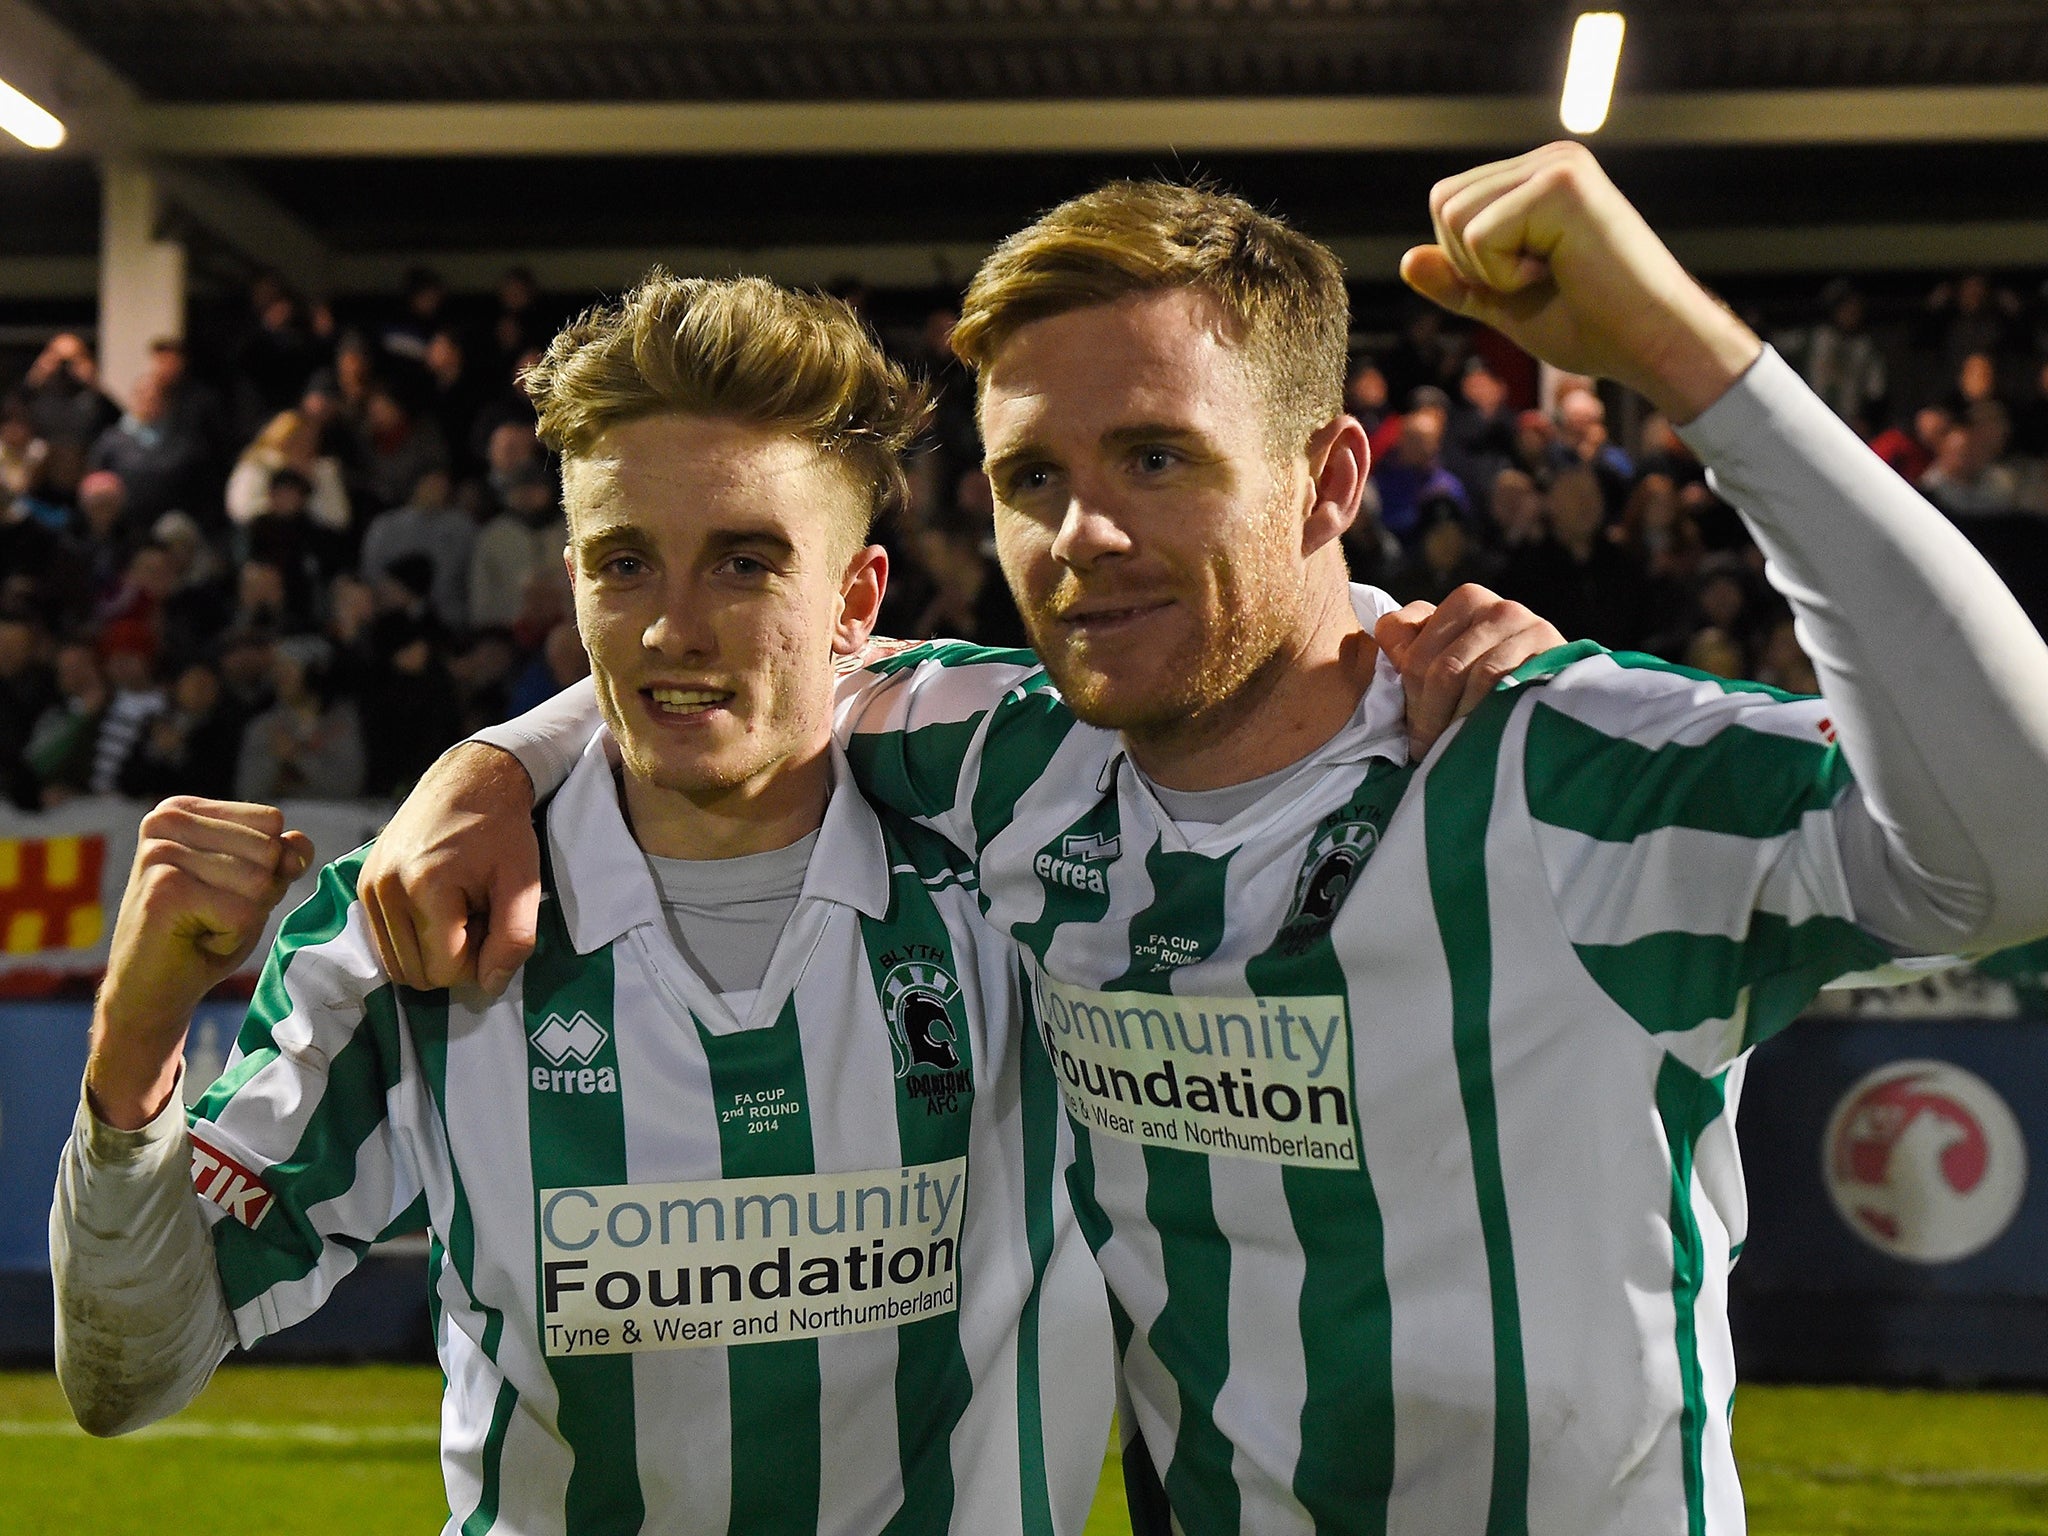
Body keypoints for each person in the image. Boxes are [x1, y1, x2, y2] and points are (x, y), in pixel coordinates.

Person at [361, 144, 2048, 1535]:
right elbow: (730, 672)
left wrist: (1695, 363)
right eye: (1030, 480)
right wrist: (492, 760)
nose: (1082, 535)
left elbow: (2010, 852)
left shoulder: (1558, 769)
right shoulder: (1010, 762)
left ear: (1327, 481)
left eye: (1155, 458)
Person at [53, 274, 1133, 1535]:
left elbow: (1243, 692)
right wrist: (136, 1036)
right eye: (625, 564)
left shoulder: (1023, 860)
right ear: (571, 583)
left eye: (745, 561)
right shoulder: (410, 921)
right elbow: (126, 1374)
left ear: (856, 601)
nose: (675, 626)